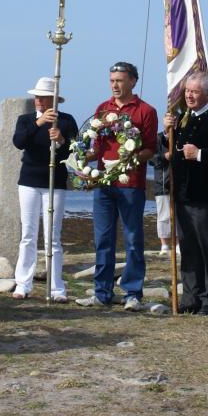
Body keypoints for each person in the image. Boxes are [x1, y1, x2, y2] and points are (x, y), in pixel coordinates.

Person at [76, 62, 158, 311]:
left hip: (130, 184)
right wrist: (80, 158)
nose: (115, 85)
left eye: (120, 80)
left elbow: (150, 149)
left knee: (133, 239)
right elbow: (96, 147)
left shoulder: (146, 111)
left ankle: (132, 294)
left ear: (132, 81)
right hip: (103, 184)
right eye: (112, 80)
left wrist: (128, 161)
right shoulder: (103, 108)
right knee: (103, 240)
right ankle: (102, 293)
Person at [165, 72, 208, 315]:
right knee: (189, 249)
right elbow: (172, 150)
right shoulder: (183, 117)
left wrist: (200, 154)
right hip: (182, 194)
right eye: (187, 91)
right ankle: (191, 297)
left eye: (194, 91)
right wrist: (167, 134)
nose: (189, 96)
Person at [11, 77, 78, 301]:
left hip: (55, 183)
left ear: (53, 99)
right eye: (36, 97)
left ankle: (56, 288)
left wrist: (61, 141)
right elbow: (19, 142)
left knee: (53, 237)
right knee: (28, 234)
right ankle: (23, 284)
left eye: (43, 97)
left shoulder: (66, 121)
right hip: (29, 181)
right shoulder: (25, 120)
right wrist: (39, 123)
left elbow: (75, 151)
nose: (38, 100)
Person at [151, 144, 173, 255]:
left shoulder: (179, 138)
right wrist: (164, 156)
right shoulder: (158, 139)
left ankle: (178, 244)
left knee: (178, 215)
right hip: (162, 184)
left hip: (179, 186)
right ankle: (164, 245)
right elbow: (151, 159)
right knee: (163, 215)